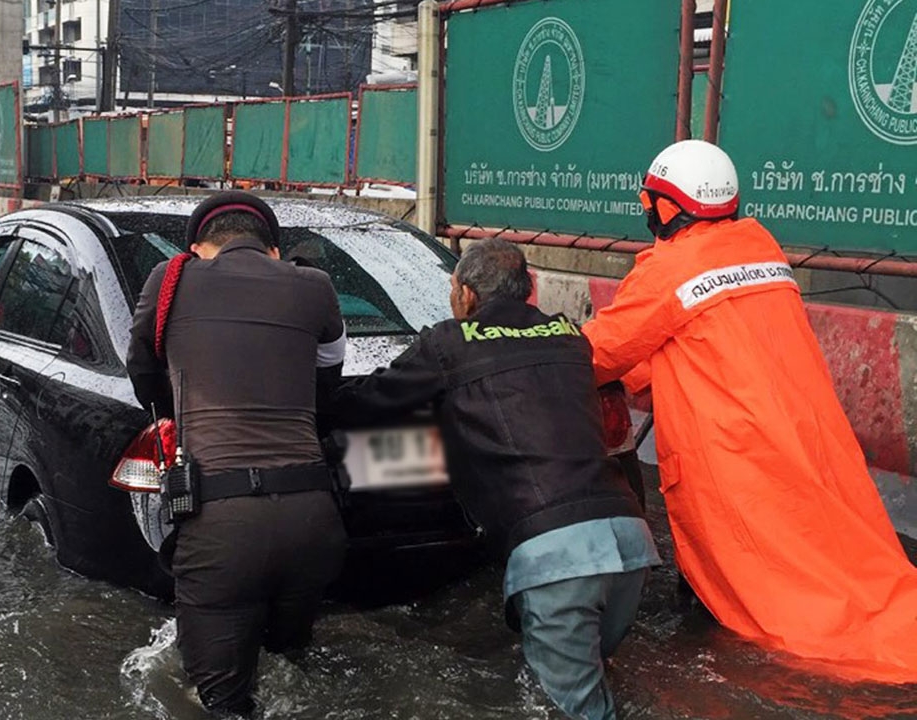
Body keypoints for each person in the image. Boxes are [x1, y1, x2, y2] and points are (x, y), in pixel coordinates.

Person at [583, 139, 917, 683]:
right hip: (799, 432)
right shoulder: (760, 247)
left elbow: (600, 354)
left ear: (667, 207)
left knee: (757, 582)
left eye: (648, 201)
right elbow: (694, 338)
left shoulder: (669, 270)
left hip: (734, 450)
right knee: (839, 554)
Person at [333, 239, 660, 720]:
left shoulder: (449, 342)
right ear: (528, 289)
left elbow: (370, 401)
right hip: (630, 540)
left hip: (558, 555)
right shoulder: (570, 336)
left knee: (568, 710)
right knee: (595, 678)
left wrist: (306, 401)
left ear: (466, 294)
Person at [126, 191, 349, 716]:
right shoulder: (315, 285)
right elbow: (328, 383)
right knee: (291, 670)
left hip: (220, 525)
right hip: (313, 519)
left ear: (198, 249)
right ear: (274, 250)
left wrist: (181, 415)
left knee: (221, 703)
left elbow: (142, 368)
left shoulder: (170, 279)